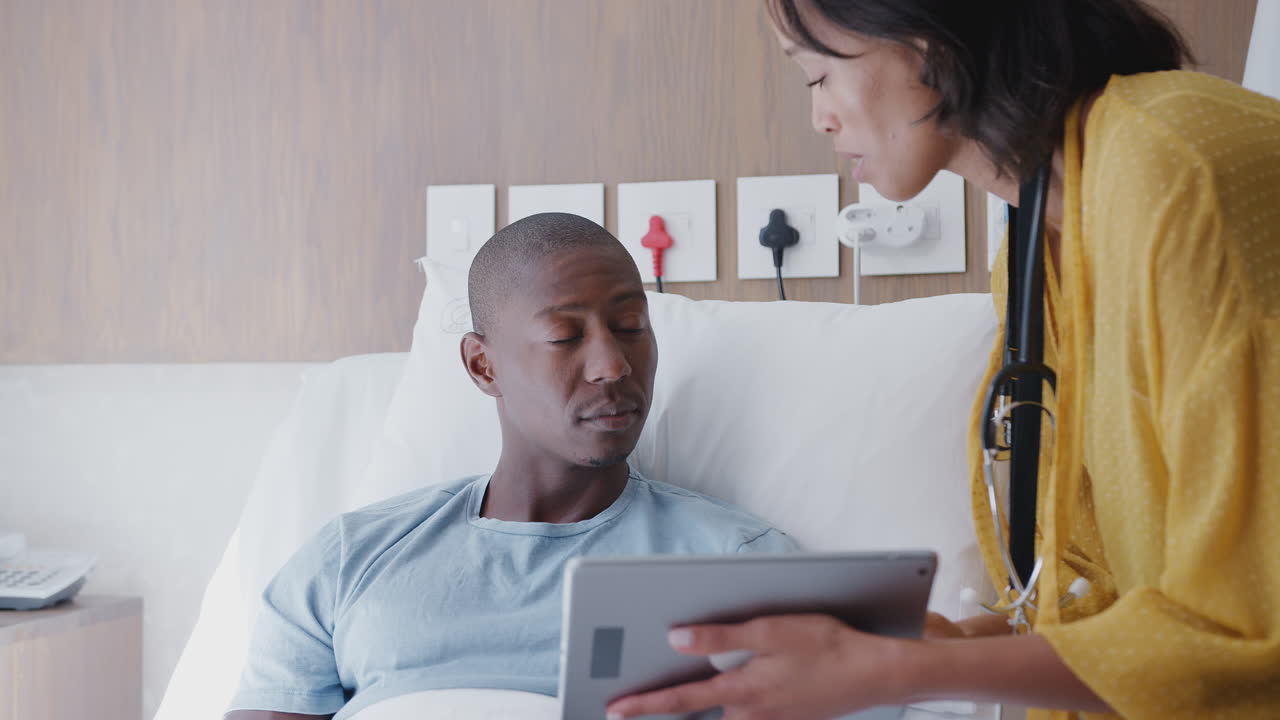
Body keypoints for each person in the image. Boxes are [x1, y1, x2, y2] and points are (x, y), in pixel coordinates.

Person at [608, 1, 1280, 719]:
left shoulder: (1179, 168)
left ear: (925, 38)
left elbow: (1252, 624)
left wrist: (899, 671)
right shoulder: (1033, 255)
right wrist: (941, 648)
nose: (820, 118)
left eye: (817, 75)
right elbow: (1094, 596)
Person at [223, 213, 795, 720]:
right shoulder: (349, 561)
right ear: (483, 366)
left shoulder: (739, 565)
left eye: (630, 328)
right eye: (564, 335)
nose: (613, 365)